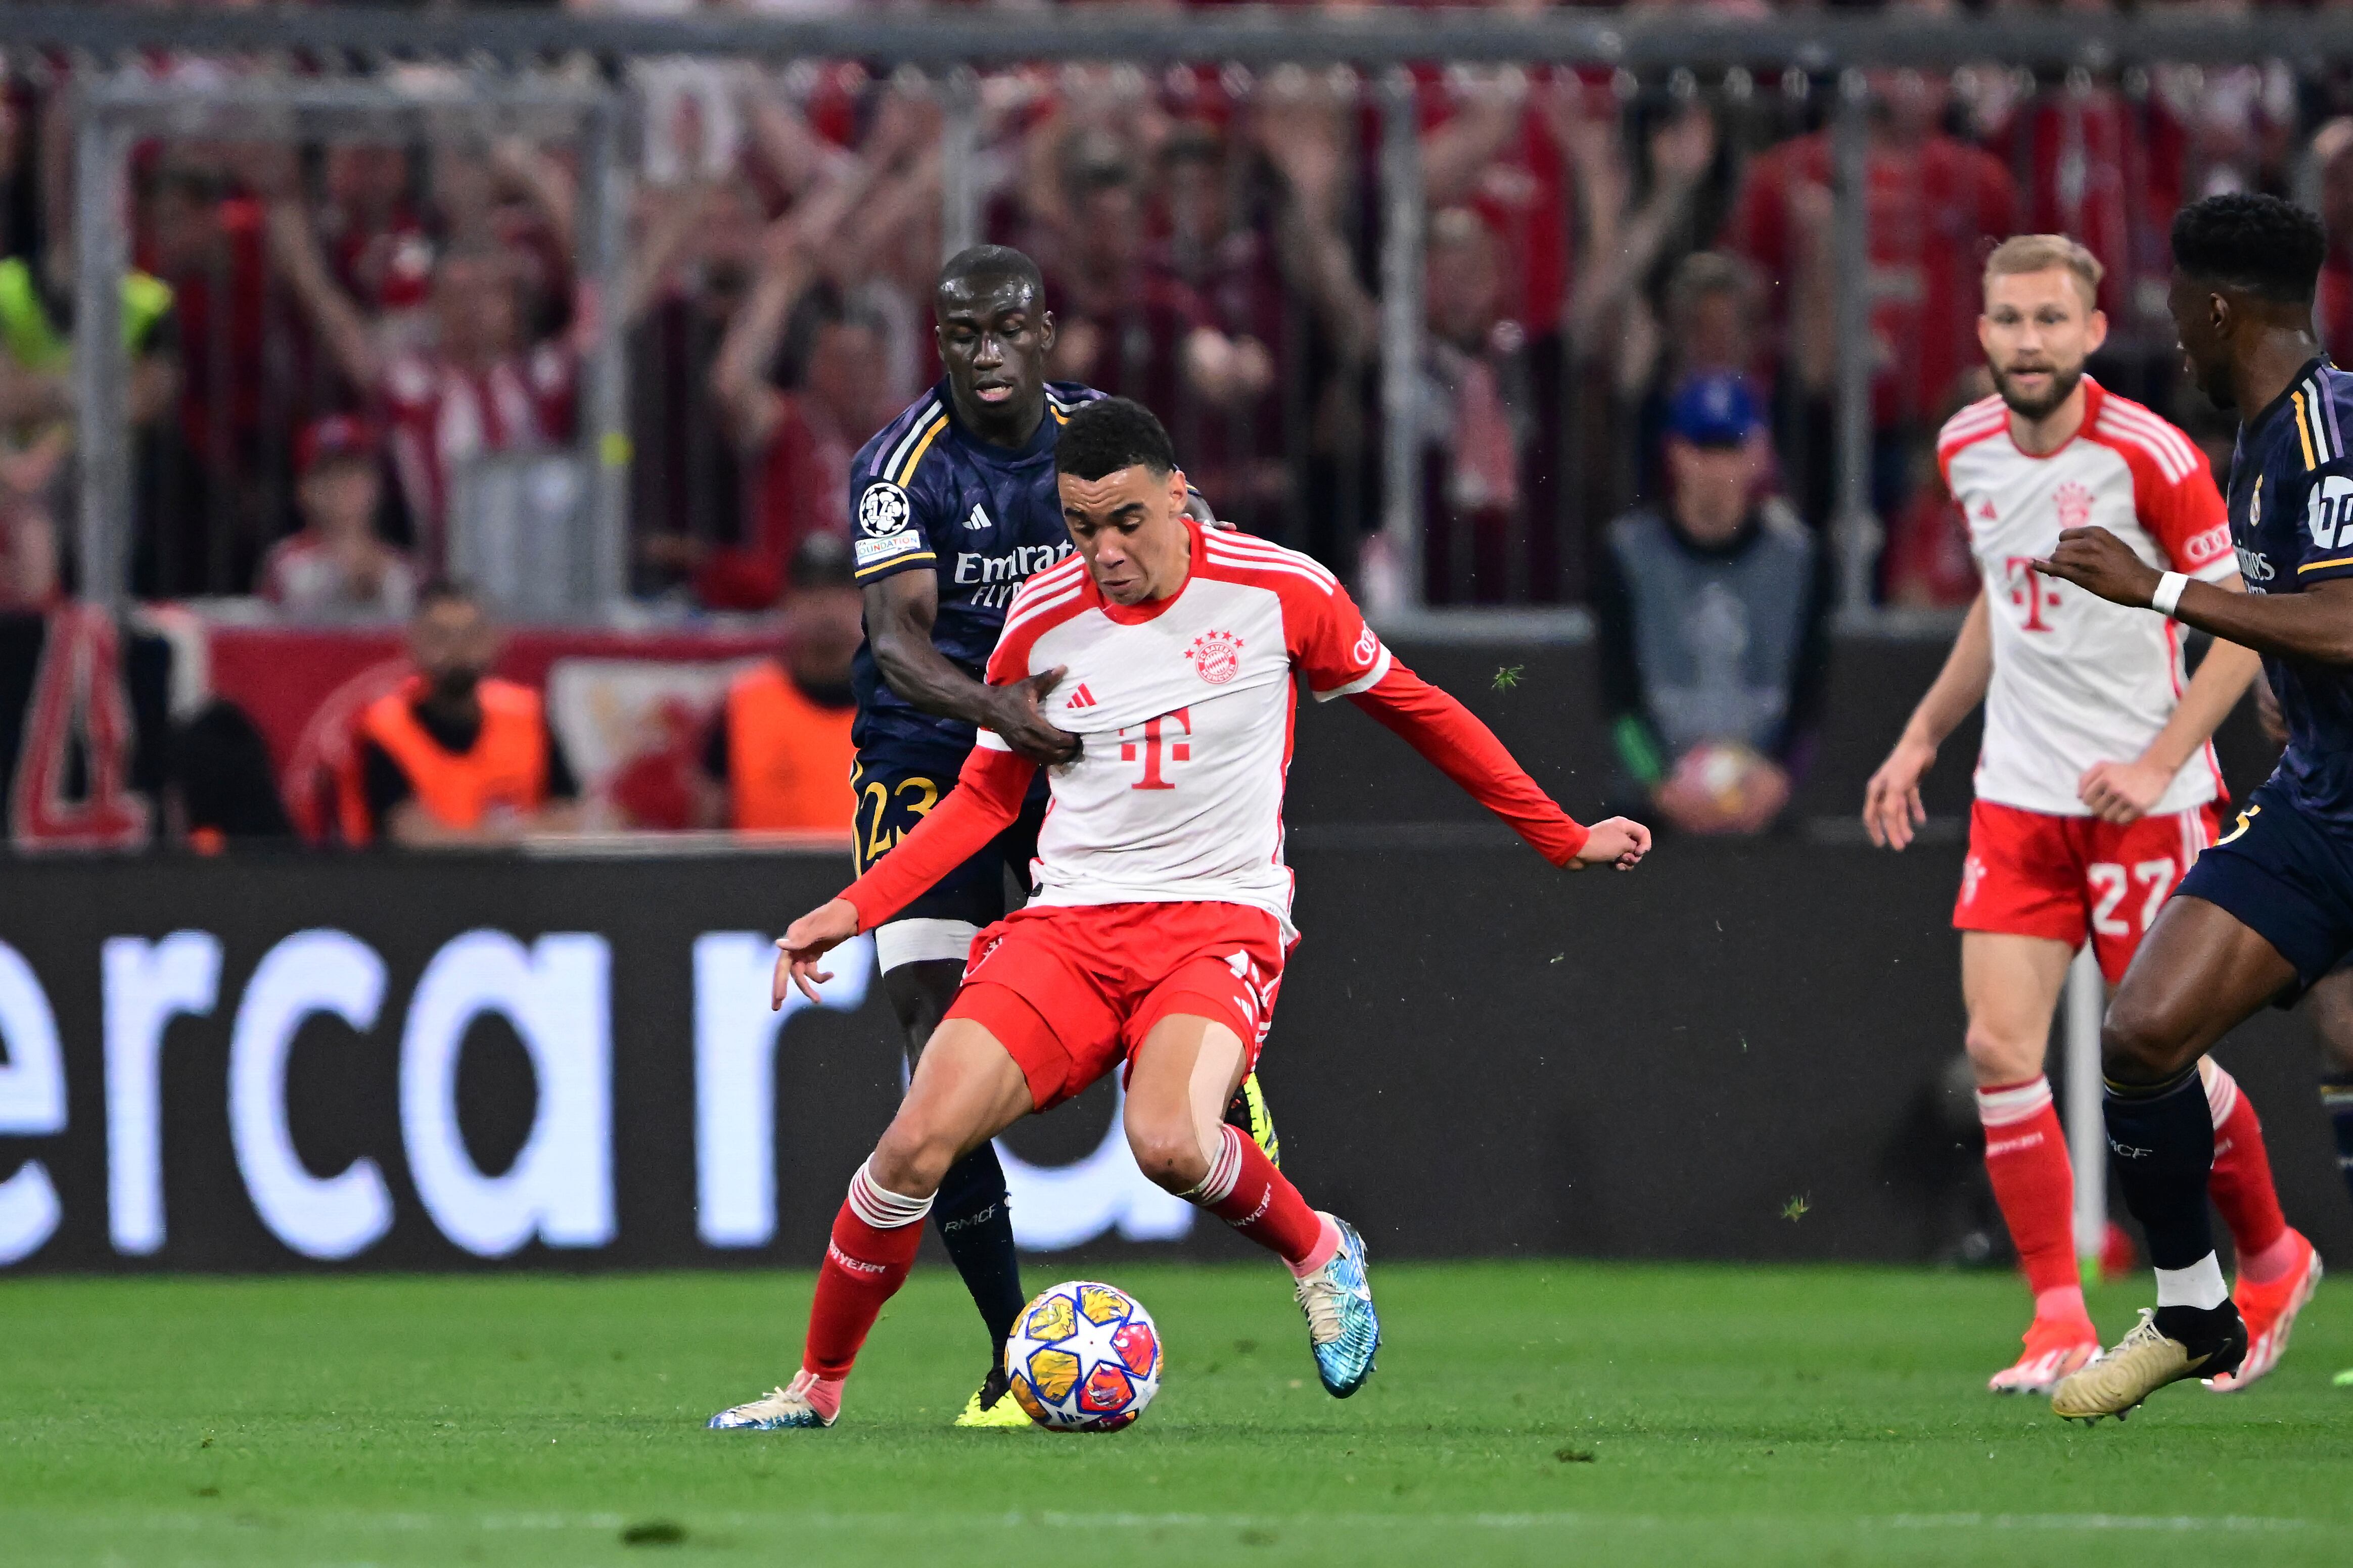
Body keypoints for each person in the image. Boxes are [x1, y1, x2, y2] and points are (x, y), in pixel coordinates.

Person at [706, 397, 1652, 1431]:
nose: (1105, 552)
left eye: (1126, 522)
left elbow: (1418, 708)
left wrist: (1557, 833)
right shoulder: (1041, 617)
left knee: (1166, 1141)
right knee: (912, 1145)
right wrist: (852, 908)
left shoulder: (1282, 590)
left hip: (1215, 925)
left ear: (1178, 496)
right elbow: (982, 801)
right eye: (1080, 526)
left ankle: (1319, 1250)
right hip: (1068, 931)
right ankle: (817, 1389)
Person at [1866, 233, 2312, 1400]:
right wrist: (1921, 734)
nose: (2029, 342)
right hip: (2019, 793)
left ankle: (2272, 1258)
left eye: (2050, 320)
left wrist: (2158, 759)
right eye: (2010, 320)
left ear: (2092, 331)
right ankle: (2055, 1316)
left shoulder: (2150, 455)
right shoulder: (1964, 447)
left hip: (2144, 801)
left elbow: (2238, 624)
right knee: (1997, 1046)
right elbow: (2001, 600)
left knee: (2167, 1060)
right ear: (1982, 333)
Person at [835, 242, 1273, 1430]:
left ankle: (1219, 1062)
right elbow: (896, 644)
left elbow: (1200, 562)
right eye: (961, 333)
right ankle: (1007, 1353)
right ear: (939, 342)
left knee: (1146, 949)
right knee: (933, 1040)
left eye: (1005, 329)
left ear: (1044, 332)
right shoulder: (899, 468)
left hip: (1080, 747)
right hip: (932, 758)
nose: (985, 353)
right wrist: (998, 712)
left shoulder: (1104, 442)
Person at [2011, 196, 2352, 1420]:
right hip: (2320, 804)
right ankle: (2195, 1308)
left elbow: (2348, 617)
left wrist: (2156, 589)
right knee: (2144, 1032)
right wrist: (2285, 681)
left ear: (2217, 310)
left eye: (2172, 307)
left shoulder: (2323, 431)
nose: (2167, 330)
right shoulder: (2262, 437)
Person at [1594, 371, 1826, 836]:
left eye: (1730, 449)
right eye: (1702, 449)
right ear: (1675, 453)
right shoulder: (1628, 555)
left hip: (1768, 814)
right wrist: (1657, 783)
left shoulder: (1798, 558)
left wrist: (1780, 778)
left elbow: (1813, 693)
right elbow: (1617, 700)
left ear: (1757, 454)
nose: (1716, 468)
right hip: (1652, 817)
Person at [336, 580, 580, 847]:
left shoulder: (528, 717)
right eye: (440, 637)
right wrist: (517, 834)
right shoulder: (384, 730)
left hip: (520, 873)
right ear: (413, 642)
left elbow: (568, 818)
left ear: (496, 640)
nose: (457, 649)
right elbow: (413, 835)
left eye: (470, 635)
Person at [699, 534, 860, 833]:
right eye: (810, 593)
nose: (826, 607)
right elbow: (708, 826)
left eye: (841, 592)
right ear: (786, 603)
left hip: (880, 865)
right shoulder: (744, 705)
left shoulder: (902, 704)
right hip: (762, 866)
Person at [259, 416, 417, 621]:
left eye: (354, 473)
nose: (343, 486)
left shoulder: (402, 568)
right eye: (329, 477)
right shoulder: (285, 562)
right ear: (304, 490)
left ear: (376, 484)